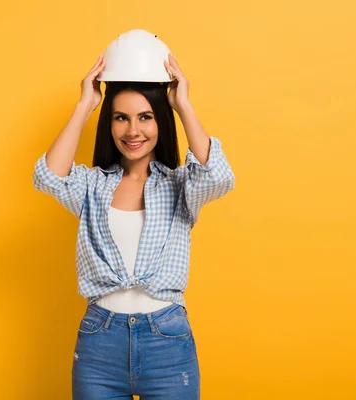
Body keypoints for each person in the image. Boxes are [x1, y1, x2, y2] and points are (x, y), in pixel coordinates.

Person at [32, 52, 235, 399]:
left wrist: (182, 104)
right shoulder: (92, 186)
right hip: (100, 345)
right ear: (109, 125)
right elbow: (48, 176)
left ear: (161, 123)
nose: (133, 130)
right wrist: (85, 104)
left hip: (167, 344)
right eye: (120, 118)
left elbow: (217, 175)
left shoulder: (180, 185)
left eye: (145, 117)